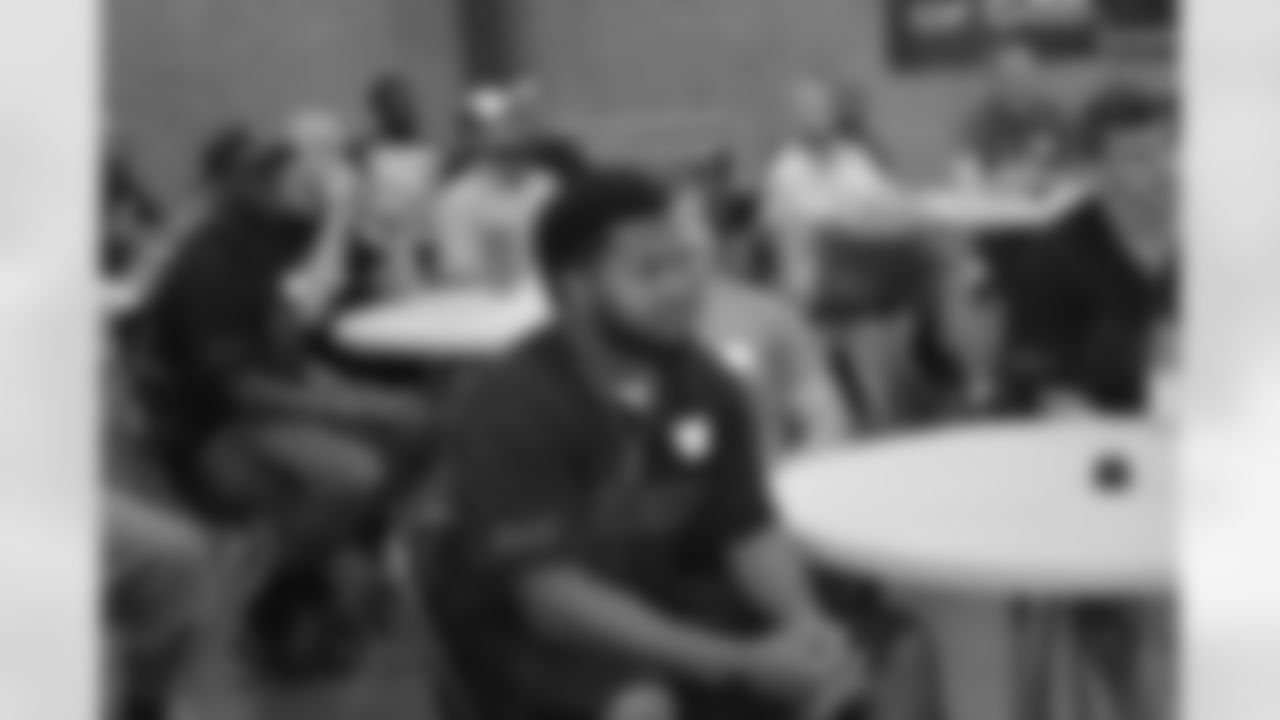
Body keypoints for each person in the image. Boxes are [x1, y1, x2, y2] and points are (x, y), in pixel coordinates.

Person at [432, 168, 874, 720]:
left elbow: (746, 528)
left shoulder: (704, 381)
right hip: (526, 628)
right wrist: (737, 662)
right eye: (650, 272)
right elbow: (552, 602)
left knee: (839, 674)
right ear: (576, 289)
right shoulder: (510, 406)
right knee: (642, 706)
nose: (682, 287)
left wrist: (805, 624)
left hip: (656, 592)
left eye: (685, 262)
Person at [141, 140, 429, 675]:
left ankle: (336, 560)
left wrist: (350, 395)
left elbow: (291, 343)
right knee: (355, 476)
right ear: (261, 186)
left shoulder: (269, 243)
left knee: (420, 425)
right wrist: (348, 409)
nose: (324, 186)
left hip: (269, 404)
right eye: (307, 179)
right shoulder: (214, 261)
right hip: (214, 432)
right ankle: (281, 598)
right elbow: (241, 390)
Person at [1001, 85, 1178, 413]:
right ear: (1095, 171)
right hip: (1104, 430)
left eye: (1167, 148)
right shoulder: (1052, 263)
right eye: (1138, 157)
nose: (1163, 168)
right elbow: (1048, 392)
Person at [673, 181, 853, 452]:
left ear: (712, 235)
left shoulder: (767, 315)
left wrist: (804, 470)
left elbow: (826, 419)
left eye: (688, 224)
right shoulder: (610, 336)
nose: (675, 240)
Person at [762, 79, 901, 304]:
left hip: (863, 262)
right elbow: (821, 228)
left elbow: (888, 200)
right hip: (816, 280)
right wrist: (866, 218)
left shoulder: (853, 158)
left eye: (822, 109)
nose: (816, 118)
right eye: (808, 111)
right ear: (797, 119)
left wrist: (891, 212)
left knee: (927, 261)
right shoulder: (786, 171)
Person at [434, 89, 561, 286]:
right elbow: (461, 271)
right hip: (495, 298)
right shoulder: (457, 200)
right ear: (480, 144)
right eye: (504, 150)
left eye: (519, 147)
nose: (513, 152)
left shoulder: (547, 185)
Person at [358, 74, 442, 293]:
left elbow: (434, 207)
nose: (403, 109)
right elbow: (364, 216)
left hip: (426, 251)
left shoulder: (428, 154)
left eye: (407, 102)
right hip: (383, 255)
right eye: (394, 102)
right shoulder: (366, 155)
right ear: (380, 110)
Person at [956, 41, 1076, 190]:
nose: (1017, 83)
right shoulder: (980, 123)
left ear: (1034, 75)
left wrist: (1045, 175)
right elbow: (967, 174)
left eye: (1023, 74)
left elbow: (1075, 169)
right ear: (995, 80)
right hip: (997, 199)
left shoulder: (1054, 118)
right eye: (1008, 76)